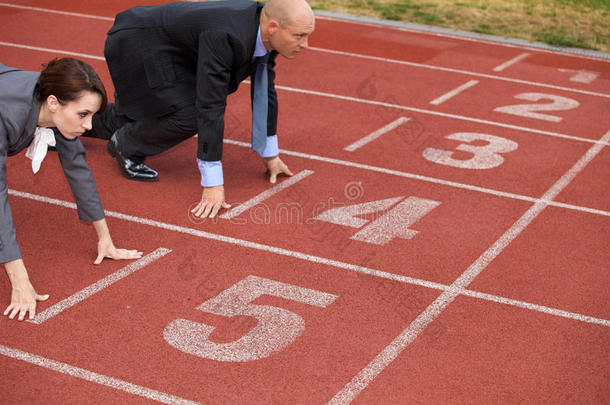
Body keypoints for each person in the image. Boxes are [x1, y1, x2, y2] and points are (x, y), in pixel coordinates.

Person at [87, 0, 314, 219]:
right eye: (299, 36)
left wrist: (270, 154)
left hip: (175, 53)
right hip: (138, 44)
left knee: (143, 114)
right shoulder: (226, 35)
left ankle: (60, 127)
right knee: (189, 114)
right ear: (273, 27)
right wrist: (212, 182)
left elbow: (264, 91)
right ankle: (125, 145)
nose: (306, 45)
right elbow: (210, 103)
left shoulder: (266, 31)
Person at [0, 58, 143, 321]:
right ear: (53, 103)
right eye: (83, 115)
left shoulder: (51, 97)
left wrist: (105, 238)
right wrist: (20, 281)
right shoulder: (8, 115)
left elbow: (77, 167)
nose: (88, 126)